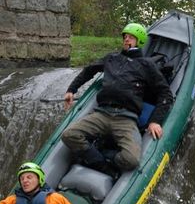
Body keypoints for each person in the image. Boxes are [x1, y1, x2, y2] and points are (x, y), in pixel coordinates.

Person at [61, 23, 173, 177]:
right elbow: (88, 71)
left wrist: (155, 121)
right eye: (125, 36)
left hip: (126, 119)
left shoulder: (146, 65)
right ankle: (102, 165)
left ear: (139, 41)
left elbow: (165, 94)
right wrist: (71, 90)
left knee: (131, 159)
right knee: (69, 135)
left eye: (131, 37)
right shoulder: (111, 58)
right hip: (101, 113)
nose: (126, 39)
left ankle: (105, 154)